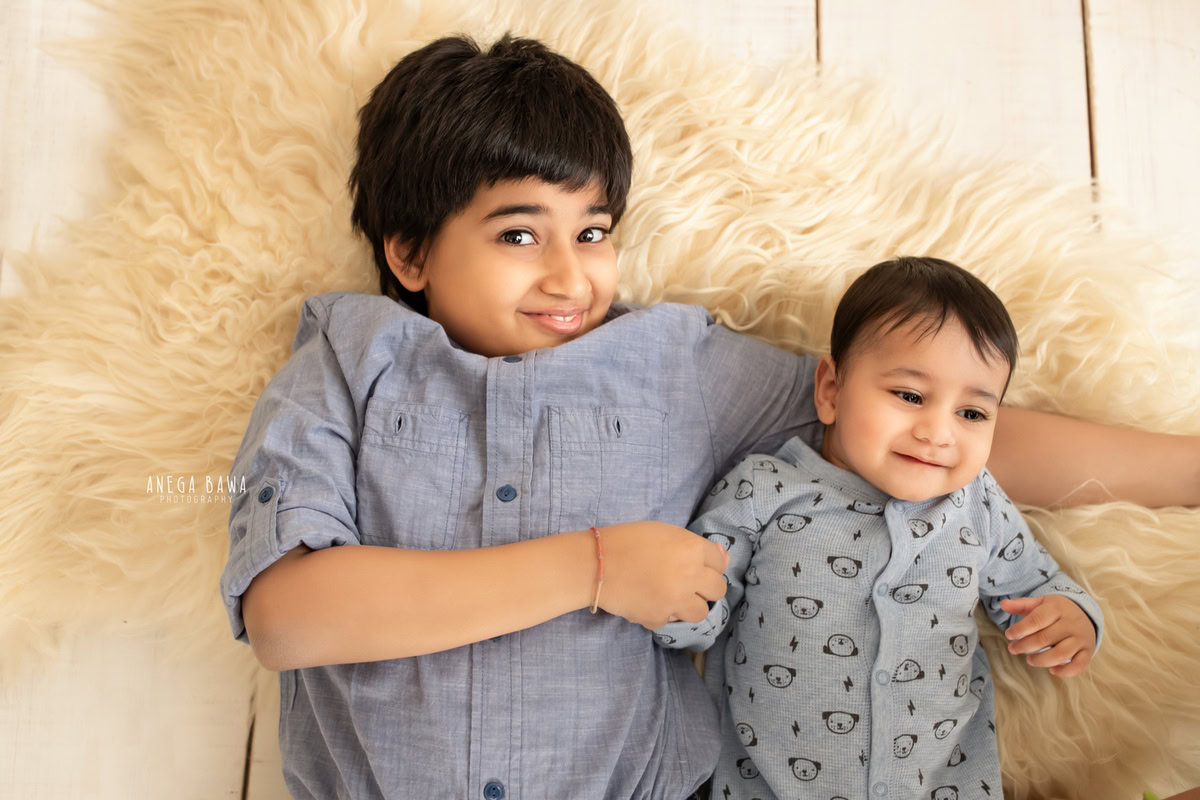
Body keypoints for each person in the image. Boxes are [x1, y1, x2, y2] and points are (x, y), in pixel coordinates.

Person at [217, 33, 1194, 800]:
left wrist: (1187, 470)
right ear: (411, 254)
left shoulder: (669, 365)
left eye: (594, 232)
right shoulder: (343, 369)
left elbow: (924, 416)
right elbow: (287, 617)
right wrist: (594, 564)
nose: (572, 274)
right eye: (520, 233)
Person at [653, 257, 1103, 800]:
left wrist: (1071, 617)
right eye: (910, 396)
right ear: (831, 390)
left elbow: (1034, 585)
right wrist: (676, 605)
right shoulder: (765, 489)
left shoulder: (975, 500)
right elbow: (701, 608)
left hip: (940, 784)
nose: (938, 432)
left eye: (973, 414)